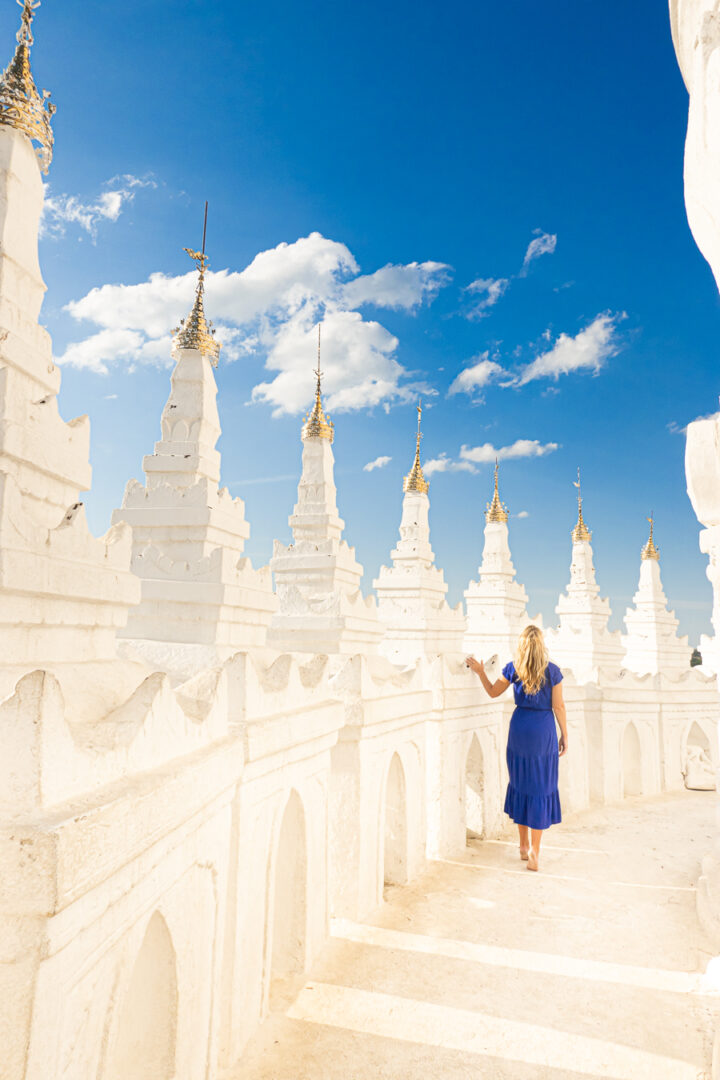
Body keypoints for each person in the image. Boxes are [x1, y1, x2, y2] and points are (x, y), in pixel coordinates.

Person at [466, 625, 568, 872]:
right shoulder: (553, 672)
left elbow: (492, 692)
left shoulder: (513, 669)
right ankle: (534, 852)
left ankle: (522, 846)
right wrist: (564, 734)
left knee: (521, 784)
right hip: (543, 732)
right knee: (541, 787)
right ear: (541, 646)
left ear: (522, 646)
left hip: (520, 730)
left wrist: (480, 671)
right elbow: (559, 707)